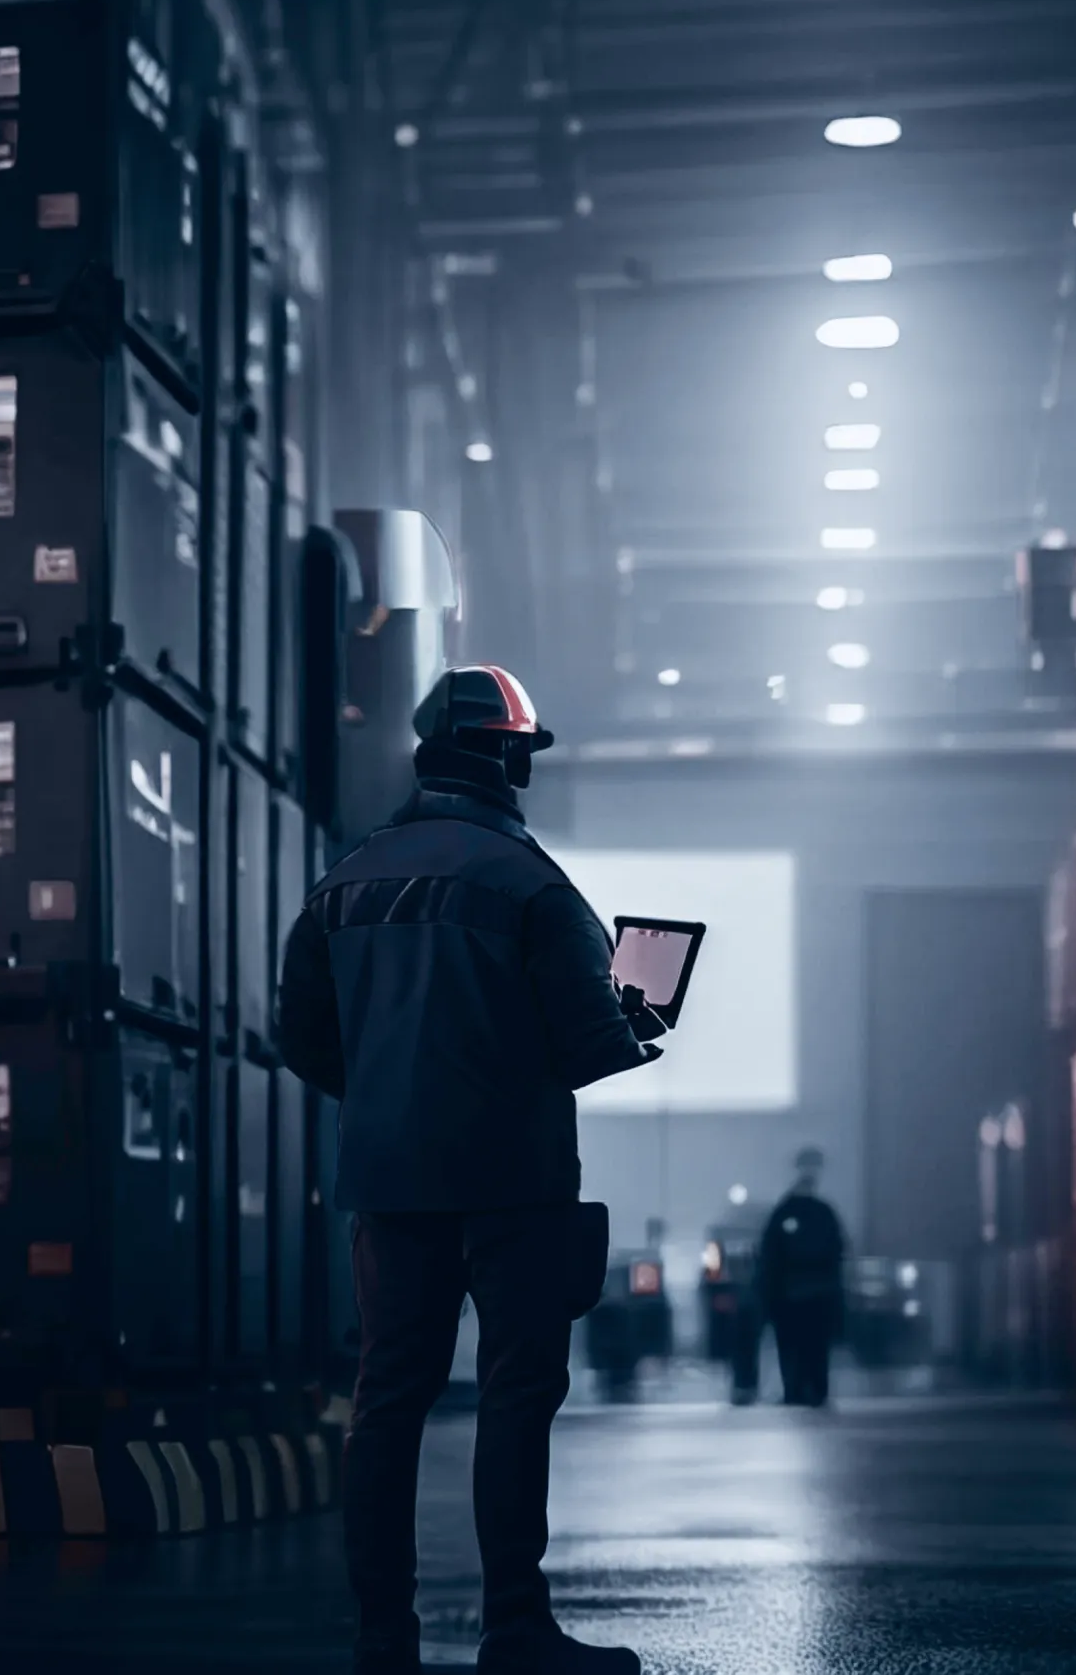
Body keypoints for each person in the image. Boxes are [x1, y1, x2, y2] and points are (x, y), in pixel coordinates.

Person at [277, 664, 665, 1675]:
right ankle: (515, 1630)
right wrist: (640, 1021)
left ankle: (382, 1640)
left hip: (390, 1188)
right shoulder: (532, 883)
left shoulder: (342, 879)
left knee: (387, 1403)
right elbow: (589, 1044)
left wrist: (387, 1104)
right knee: (514, 1395)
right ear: (504, 755)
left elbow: (302, 1039)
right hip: (513, 1184)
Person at [757, 1148, 845, 1407]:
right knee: (813, 1346)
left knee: (795, 1346)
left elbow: (770, 1256)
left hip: (794, 1294)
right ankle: (813, 1390)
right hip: (813, 1293)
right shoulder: (823, 1213)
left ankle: (797, 1390)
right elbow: (837, 1253)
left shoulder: (785, 1212)